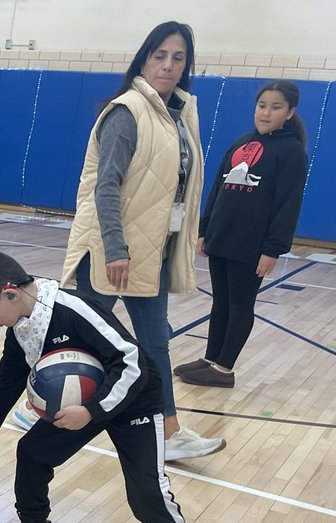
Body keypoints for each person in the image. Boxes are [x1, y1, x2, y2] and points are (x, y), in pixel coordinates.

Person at [0, 250, 204, 523]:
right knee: (32, 452)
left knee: (147, 492)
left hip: (133, 397)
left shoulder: (73, 309)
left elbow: (132, 361)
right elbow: (5, 389)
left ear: (9, 293)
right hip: (84, 403)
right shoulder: (21, 329)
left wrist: (92, 411)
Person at [60, 22, 223, 462]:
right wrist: (115, 248)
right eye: (160, 55)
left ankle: (168, 431)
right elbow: (106, 187)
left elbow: (178, 189)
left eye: (178, 57)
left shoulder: (179, 115)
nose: (168, 65)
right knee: (72, 338)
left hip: (151, 254)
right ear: (144, 59)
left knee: (155, 345)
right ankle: (39, 407)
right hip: (112, 253)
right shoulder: (126, 111)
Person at [175, 81, 309, 388]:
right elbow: (218, 190)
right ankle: (211, 359)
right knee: (220, 302)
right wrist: (205, 230)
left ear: (289, 113)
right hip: (223, 237)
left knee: (239, 305)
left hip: (251, 245)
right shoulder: (240, 143)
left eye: (276, 107)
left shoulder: (291, 153)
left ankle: (224, 369)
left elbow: (288, 205)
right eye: (262, 105)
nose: (266, 113)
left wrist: (273, 249)